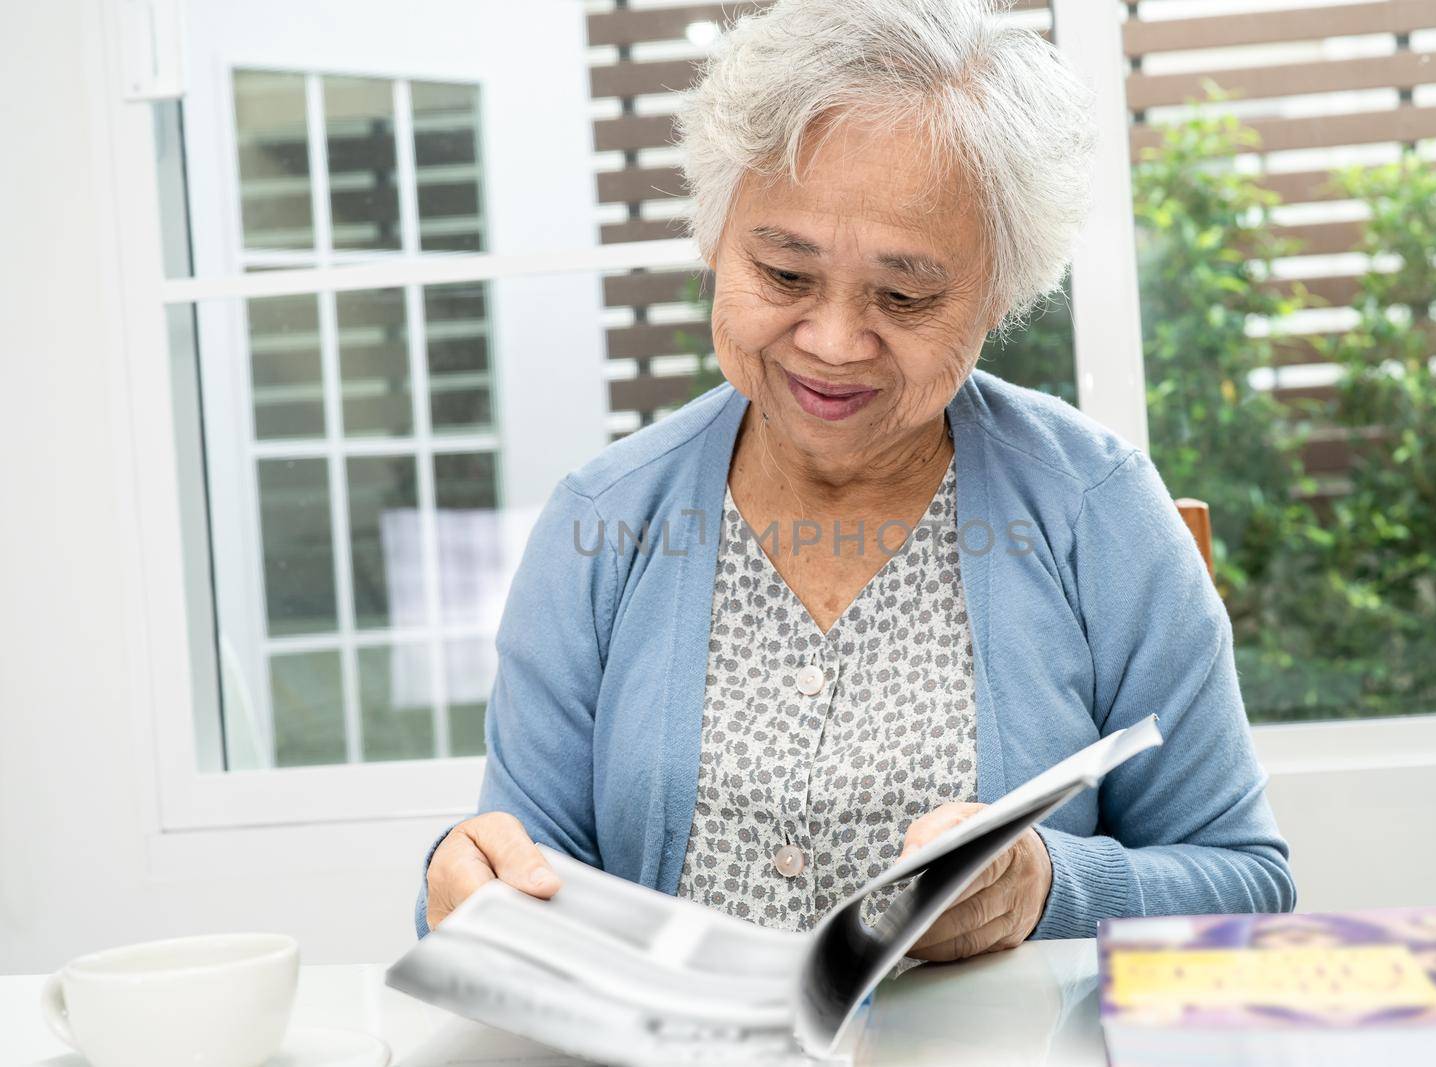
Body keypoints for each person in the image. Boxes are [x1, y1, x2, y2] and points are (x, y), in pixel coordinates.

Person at [417, 0, 1293, 961]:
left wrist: (1048, 886)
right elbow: (518, 870)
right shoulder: (603, 519)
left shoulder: (1096, 508)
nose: (833, 344)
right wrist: (467, 884)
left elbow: (1246, 878)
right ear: (716, 239)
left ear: (1000, 292)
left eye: (907, 295)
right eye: (784, 274)